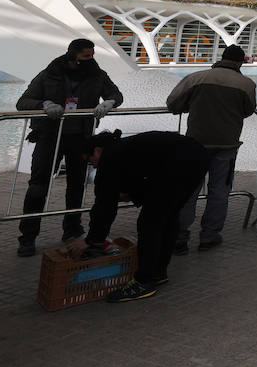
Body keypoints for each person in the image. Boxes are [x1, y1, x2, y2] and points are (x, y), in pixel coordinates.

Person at [14, 38, 123, 257]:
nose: (90, 60)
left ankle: (72, 228)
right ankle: (28, 236)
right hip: (49, 136)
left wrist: (109, 102)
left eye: (92, 55)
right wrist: (44, 105)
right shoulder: (49, 74)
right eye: (85, 56)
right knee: (38, 186)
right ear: (72, 55)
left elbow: (116, 94)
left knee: (76, 186)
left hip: (80, 138)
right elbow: (23, 101)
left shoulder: (97, 75)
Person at [71, 130, 210, 303]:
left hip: (180, 163)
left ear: (98, 150)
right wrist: (133, 194)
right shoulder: (124, 149)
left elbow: (104, 208)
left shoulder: (110, 158)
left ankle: (144, 282)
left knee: (149, 223)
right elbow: (148, 177)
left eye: (89, 159)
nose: (93, 165)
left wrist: (91, 240)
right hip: (196, 157)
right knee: (168, 216)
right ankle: (158, 272)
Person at [166, 45, 257, 254]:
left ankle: (179, 237)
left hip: (195, 144)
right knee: (219, 191)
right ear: (241, 62)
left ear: (221, 58)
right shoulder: (246, 84)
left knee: (188, 190)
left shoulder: (196, 78)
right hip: (227, 144)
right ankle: (209, 236)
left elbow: (173, 104)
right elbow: (248, 110)